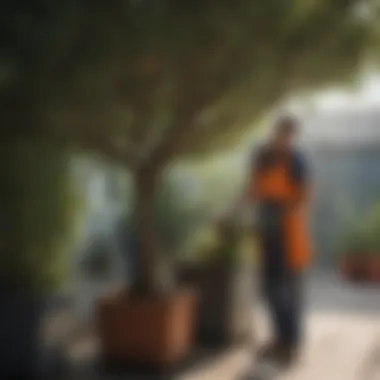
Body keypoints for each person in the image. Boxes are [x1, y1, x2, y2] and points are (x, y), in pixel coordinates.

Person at [240, 115, 312, 366]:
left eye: (290, 135)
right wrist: (240, 212)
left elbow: (304, 196)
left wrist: (283, 212)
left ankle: (290, 342)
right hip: (266, 226)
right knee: (269, 287)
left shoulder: (297, 161)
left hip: (288, 231)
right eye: (283, 133)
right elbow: (251, 188)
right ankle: (278, 337)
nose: (285, 139)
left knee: (289, 290)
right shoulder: (262, 156)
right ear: (275, 131)